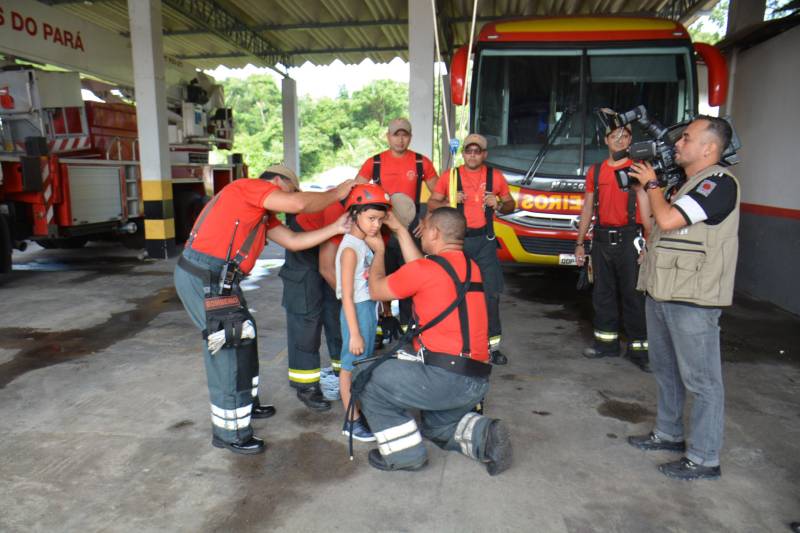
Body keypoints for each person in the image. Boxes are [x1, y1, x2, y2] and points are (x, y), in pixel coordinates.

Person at [174, 165, 354, 455]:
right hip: (204, 277)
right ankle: (230, 432)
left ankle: (246, 404)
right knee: (228, 350)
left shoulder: (261, 216)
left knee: (245, 336)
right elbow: (298, 203)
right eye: (290, 191)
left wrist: (336, 227)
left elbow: (294, 241)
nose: (290, 206)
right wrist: (337, 194)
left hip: (221, 281)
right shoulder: (247, 188)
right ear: (278, 182)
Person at [356, 207, 513, 474]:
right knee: (436, 426)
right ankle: (486, 435)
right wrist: (400, 230)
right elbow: (423, 268)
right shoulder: (470, 266)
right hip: (476, 381)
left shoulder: (425, 270)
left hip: (444, 379)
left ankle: (405, 456)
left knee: (367, 377)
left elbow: (376, 289)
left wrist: (380, 252)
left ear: (434, 232)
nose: (421, 233)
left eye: (424, 227)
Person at [626, 116, 739, 480]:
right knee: (666, 370)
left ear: (708, 148)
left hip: (694, 297)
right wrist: (642, 188)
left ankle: (705, 458)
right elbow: (652, 222)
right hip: (662, 290)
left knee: (703, 381)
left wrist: (655, 184)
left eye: (686, 138)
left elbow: (672, 221)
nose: (677, 143)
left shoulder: (718, 183)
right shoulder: (685, 185)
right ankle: (669, 433)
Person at [427, 134, 516, 365]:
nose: (473, 155)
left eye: (478, 151)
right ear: (464, 153)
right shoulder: (451, 176)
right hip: (457, 243)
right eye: (469, 151)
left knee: (490, 295)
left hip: (484, 242)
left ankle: (492, 347)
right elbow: (432, 204)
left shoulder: (494, 177)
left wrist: (498, 204)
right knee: (454, 292)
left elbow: (510, 204)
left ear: (485, 154)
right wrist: (449, 202)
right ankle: (455, 344)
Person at [575, 118, 652, 372]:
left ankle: (639, 351)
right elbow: (588, 207)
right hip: (601, 239)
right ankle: (605, 344)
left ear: (631, 141)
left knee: (633, 295)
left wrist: (648, 244)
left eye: (625, 136)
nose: (620, 140)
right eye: (615, 136)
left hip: (630, 238)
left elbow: (647, 205)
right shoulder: (595, 171)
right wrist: (579, 243)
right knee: (602, 294)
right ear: (606, 140)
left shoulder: (639, 169)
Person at [357, 117, 439, 333]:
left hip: (411, 229)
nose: (401, 140)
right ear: (388, 137)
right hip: (381, 228)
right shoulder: (374, 162)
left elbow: (439, 195)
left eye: (405, 135)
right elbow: (356, 192)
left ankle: (409, 325)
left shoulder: (421, 162)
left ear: (410, 137)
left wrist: (427, 218)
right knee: (380, 272)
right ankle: (384, 318)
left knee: (411, 273)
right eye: (396, 135)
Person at [280, 195, 346, 412]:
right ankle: (306, 386)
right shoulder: (339, 212)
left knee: (336, 316)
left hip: (327, 250)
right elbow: (326, 269)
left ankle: (343, 375)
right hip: (303, 256)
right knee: (307, 322)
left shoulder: (370, 218)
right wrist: (350, 300)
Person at [336, 184, 391, 442]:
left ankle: (357, 411)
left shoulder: (362, 244)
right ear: (355, 214)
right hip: (355, 311)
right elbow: (346, 295)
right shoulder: (350, 248)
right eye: (371, 218)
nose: (375, 225)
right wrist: (355, 333)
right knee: (350, 366)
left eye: (380, 220)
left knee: (362, 365)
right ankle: (351, 421)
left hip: (366, 309)